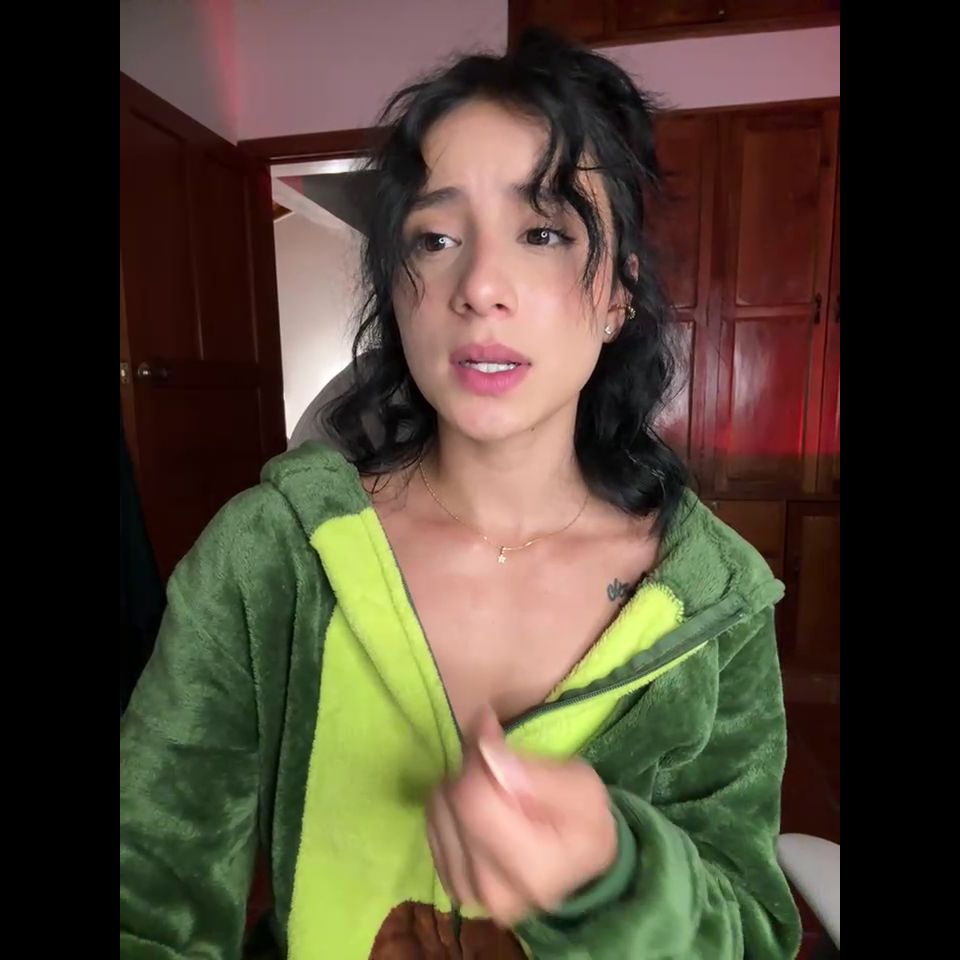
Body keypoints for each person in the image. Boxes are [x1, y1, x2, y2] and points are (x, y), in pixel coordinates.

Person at [120, 28, 801, 960]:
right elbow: (147, 895)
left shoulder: (713, 602)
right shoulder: (268, 554)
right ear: (397, 293)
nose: (479, 286)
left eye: (544, 232)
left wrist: (616, 875)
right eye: (435, 239)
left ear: (619, 295)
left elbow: (750, 935)